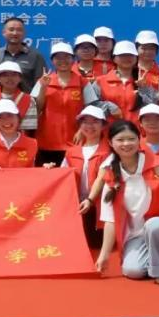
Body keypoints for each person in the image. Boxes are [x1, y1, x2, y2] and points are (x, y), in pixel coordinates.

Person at [92, 120, 159, 284]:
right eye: (120, 140)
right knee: (133, 271)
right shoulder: (111, 177)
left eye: (131, 139)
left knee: (154, 225)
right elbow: (110, 220)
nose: (126, 144)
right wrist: (103, 256)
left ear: (139, 140)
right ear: (111, 143)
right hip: (137, 235)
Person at [32, 42, 94, 165]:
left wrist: (82, 130)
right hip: (47, 141)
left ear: (73, 59)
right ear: (52, 61)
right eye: (58, 57)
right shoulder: (43, 81)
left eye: (67, 57)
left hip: (76, 140)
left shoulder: (82, 82)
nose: (63, 61)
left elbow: (91, 110)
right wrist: (43, 87)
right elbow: (37, 108)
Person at [64, 105, 112, 246]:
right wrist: (49, 168)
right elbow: (62, 176)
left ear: (103, 125)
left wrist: (90, 200)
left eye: (95, 122)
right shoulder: (71, 151)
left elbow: (102, 178)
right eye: (85, 122)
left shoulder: (110, 151)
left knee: (96, 245)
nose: (89, 126)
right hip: (76, 206)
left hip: (99, 208)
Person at [93, 41, 141, 121]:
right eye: (122, 55)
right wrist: (109, 107)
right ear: (114, 58)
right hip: (109, 128)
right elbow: (91, 104)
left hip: (135, 128)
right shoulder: (100, 81)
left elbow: (152, 105)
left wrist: (144, 89)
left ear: (136, 58)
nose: (126, 58)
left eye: (130, 55)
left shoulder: (142, 81)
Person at [0, 17, 44, 92]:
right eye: (11, 29)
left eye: (19, 30)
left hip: (27, 98)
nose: (15, 33)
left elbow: (40, 84)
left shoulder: (35, 56)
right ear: (3, 33)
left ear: (24, 33)